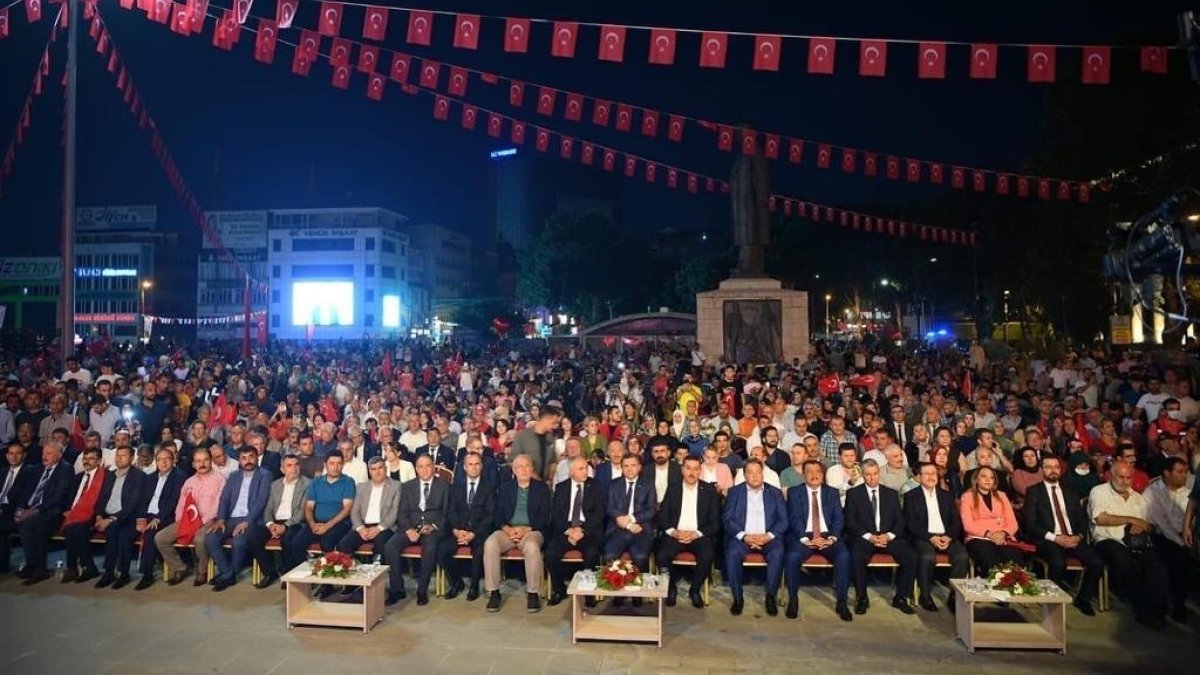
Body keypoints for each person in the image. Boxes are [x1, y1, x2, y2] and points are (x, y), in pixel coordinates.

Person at [1089, 460, 1170, 629]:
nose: (1125, 481)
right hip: (1108, 539)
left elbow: (1151, 525)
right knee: (1125, 563)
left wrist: (1141, 525)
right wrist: (1130, 519)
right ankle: (1142, 610)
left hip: (1137, 541)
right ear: (1111, 475)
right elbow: (1100, 518)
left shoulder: (1138, 499)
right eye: (1121, 477)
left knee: (1157, 567)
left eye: (1129, 477)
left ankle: (1158, 611)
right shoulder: (1099, 491)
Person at [843, 459, 917, 615]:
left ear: (879, 474)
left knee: (911, 556)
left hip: (887, 537)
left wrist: (889, 536)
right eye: (868, 475)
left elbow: (900, 521)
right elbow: (850, 522)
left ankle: (901, 598)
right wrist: (869, 536)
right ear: (863, 475)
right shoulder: (853, 494)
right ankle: (862, 598)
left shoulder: (890, 494)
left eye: (875, 474)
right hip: (865, 538)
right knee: (856, 556)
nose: (872, 478)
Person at [783, 459, 852, 621]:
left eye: (817, 471)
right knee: (792, 557)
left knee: (844, 556)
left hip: (828, 536)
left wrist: (832, 538)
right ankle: (793, 600)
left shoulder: (832, 492)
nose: (814, 475)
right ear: (803, 474)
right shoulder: (794, 492)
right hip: (804, 536)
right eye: (809, 471)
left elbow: (838, 518)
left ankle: (842, 602)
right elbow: (794, 518)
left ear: (823, 474)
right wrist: (806, 538)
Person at [483, 455, 550, 613]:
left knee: (532, 547)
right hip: (508, 530)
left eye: (527, 466)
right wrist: (508, 530)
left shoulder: (542, 489)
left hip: (532, 530)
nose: (524, 469)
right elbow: (498, 515)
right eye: (520, 467)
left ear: (532, 469)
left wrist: (526, 529)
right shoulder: (506, 488)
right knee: (490, 543)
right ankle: (494, 592)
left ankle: (533, 592)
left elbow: (545, 517)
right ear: (514, 470)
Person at [722, 459, 788, 616]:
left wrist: (768, 536)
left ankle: (770, 596)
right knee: (732, 554)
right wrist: (744, 536)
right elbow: (727, 519)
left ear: (763, 474)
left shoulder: (775, 493)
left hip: (768, 538)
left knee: (778, 553)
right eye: (750, 473)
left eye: (758, 472)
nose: (755, 476)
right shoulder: (734, 492)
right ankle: (738, 598)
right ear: (744, 475)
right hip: (744, 538)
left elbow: (784, 520)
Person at [154, 447, 226, 586]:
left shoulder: (220, 479)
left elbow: (219, 504)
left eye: (205, 460)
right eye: (198, 461)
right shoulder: (189, 482)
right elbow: (181, 505)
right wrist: (180, 521)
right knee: (160, 538)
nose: (202, 464)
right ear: (193, 464)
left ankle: (202, 571)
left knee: (199, 538)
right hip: (188, 520)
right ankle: (180, 568)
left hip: (209, 520)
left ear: (211, 461)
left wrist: (203, 522)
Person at [656, 455, 721, 609]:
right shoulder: (673, 488)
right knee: (662, 555)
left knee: (707, 555)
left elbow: (715, 523)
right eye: (688, 468)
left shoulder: (709, 491)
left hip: (698, 535)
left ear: (700, 471)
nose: (692, 472)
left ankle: (695, 590)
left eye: (696, 469)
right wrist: (674, 532)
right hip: (676, 534)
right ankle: (671, 588)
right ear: (682, 470)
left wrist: (696, 533)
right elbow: (662, 518)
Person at [903, 462, 968, 612]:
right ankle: (925, 595)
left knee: (962, 556)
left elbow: (955, 521)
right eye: (927, 474)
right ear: (919, 477)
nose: (931, 477)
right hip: (924, 537)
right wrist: (930, 537)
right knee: (927, 556)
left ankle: (954, 597)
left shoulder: (947, 496)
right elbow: (910, 523)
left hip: (945, 536)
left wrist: (948, 537)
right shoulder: (911, 496)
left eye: (933, 473)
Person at [206, 447, 273, 591]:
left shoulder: (265, 475)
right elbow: (224, 499)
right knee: (211, 538)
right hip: (231, 518)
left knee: (239, 540)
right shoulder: (234, 475)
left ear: (256, 458)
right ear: (239, 460)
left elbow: (261, 501)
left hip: (252, 520)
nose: (248, 461)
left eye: (251, 457)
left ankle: (229, 576)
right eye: (244, 458)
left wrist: (246, 522)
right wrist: (221, 519)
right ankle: (227, 574)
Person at [385, 455, 448, 605]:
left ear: (433, 467)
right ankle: (397, 589)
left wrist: (433, 526)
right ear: (416, 469)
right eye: (420, 466)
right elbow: (402, 513)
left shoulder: (444, 486)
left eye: (428, 466)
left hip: (431, 528)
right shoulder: (407, 486)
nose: (424, 469)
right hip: (410, 527)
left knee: (430, 547)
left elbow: (447, 513)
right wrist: (408, 530)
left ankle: (422, 591)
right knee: (390, 546)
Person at [545, 456, 605, 607]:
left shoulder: (596, 486)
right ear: (571, 472)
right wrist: (569, 530)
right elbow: (555, 514)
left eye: (586, 468)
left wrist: (582, 530)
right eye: (581, 469)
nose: (585, 472)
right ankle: (559, 589)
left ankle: (587, 592)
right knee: (550, 553)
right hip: (566, 530)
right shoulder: (561, 487)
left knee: (592, 553)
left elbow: (599, 514)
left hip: (587, 531)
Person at [284, 453, 354, 578]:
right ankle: (304, 578)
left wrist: (327, 526)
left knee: (327, 542)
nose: (336, 467)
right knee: (296, 542)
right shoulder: (316, 482)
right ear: (325, 465)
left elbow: (347, 509)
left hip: (339, 523)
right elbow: (309, 507)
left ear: (343, 465)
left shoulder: (348, 481)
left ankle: (327, 582)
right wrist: (312, 524)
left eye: (339, 463)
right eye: (332, 463)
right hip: (316, 522)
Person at [438, 452, 495, 601]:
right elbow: (450, 511)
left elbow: (490, 515)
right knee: (442, 550)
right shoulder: (455, 487)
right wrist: (457, 531)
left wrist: (473, 534)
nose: (474, 468)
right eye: (470, 464)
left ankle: (474, 586)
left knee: (479, 551)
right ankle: (456, 583)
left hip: (479, 532)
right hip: (458, 530)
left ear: (481, 466)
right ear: (464, 467)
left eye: (477, 464)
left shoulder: (489, 487)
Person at [16, 442, 76, 583]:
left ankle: (34, 566)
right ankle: (37, 568)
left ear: (59, 455)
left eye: (48, 454)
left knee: (28, 525)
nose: (44, 457)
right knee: (38, 529)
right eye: (43, 453)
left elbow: (58, 497)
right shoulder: (37, 469)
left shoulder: (66, 469)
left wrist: (34, 511)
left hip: (52, 511)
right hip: (31, 510)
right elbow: (24, 491)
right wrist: (21, 509)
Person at [248, 454, 310, 589]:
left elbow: (302, 511)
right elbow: (268, 508)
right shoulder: (275, 484)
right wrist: (270, 524)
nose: (293, 469)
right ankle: (270, 573)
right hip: (275, 522)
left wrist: (285, 526)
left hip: (294, 522)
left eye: (296, 465)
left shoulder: (307, 484)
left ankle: (288, 574)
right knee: (253, 536)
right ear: (282, 469)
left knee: (288, 540)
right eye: (289, 466)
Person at [602, 453, 656, 606]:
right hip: (618, 529)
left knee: (640, 556)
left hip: (641, 529)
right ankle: (618, 590)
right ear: (622, 468)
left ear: (639, 467)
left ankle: (637, 592)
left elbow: (651, 510)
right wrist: (626, 524)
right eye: (626, 466)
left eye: (633, 465)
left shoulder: (648, 484)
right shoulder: (614, 484)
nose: (630, 469)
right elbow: (610, 508)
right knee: (610, 554)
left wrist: (632, 519)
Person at [92, 445, 149, 589]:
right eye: (118, 455)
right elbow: (101, 498)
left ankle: (118, 573)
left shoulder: (138, 476)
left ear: (131, 458)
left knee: (120, 533)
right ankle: (108, 571)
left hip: (128, 518)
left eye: (123, 455)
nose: (119, 458)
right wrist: (99, 516)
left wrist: (110, 519)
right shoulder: (109, 475)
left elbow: (133, 504)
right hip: (107, 517)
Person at [1144, 456, 1192, 623]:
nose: (1184, 475)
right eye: (1179, 472)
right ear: (1166, 473)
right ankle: (1176, 605)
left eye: (1186, 472)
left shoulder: (1187, 493)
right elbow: (1162, 525)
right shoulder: (1152, 492)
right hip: (1159, 536)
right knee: (1178, 560)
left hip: (1185, 534)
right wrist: (1184, 545)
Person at [133, 446, 185, 590]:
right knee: (124, 531)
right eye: (159, 459)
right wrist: (140, 518)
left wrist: (158, 519)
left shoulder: (180, 477)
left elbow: (173, 502)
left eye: (167, 459)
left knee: (150, 534)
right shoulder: (150, 478)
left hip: (166, 516)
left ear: (173, 460)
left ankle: (147, 575)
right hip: (148, 515)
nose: (163, 463)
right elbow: (143, 500)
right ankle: (117, 572)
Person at [959, 465, 1024, 574]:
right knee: (990, 561)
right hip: (979, 538)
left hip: (1004, 537)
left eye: (991, 477)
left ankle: (1014, 588)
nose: (988, 480)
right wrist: (990, 534)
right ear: (976, 479)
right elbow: (968, 525)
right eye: (984, 476)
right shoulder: (967, 497)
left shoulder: (1002, 495)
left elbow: (1012, 522)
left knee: (1015, 560)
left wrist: (1003, 533)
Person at [60, 447, 109, 583]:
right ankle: (81, 567)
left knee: (76, 530)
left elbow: (104, 499)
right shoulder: (78, 477)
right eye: (85, 458)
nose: (87, 461)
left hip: (95, 513)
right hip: (73, 513)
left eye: (91, 458)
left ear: (99, 461)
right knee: (72, 529)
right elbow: (71, 498)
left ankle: (78, 568)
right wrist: (68, 510)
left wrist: (98, 514)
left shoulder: (105, 476)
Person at [0, 441, 38, 573]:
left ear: (24, 455)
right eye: (11, 453)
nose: (13, 456)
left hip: (14, 511)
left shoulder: (30, 471)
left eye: (18, 453)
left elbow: (26, 497)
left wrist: (5, 509)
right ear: (6, 456)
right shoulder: (2, 471)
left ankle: (4, 566)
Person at [511, 406, 561, 482]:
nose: (555, 426)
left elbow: (553, 461)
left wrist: (549, 480)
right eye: (554, 423)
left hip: (546, 484)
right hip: (526, 483)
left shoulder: (550, 438)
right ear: (545, 419)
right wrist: (539, 482)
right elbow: (516, 462)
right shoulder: (522, 437)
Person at [641, 439, 681, 506]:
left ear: (668, 453)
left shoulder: (679, 469)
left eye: (662, 451)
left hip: (674, 507)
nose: (659, 454)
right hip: (652, 509)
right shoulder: (645, 471)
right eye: (656, 451)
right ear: (652, 454)